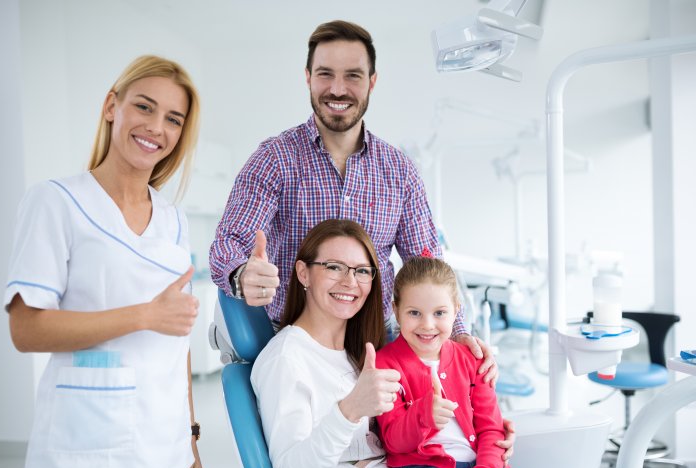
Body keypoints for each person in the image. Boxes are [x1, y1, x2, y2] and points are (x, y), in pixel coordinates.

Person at [252, 218, 696, 468]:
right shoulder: (286, 359)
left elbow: (445, 369)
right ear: (302, 273)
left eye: (361, 270)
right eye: (333, 266)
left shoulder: (357, 351)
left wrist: (484, 439)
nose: (348, 280)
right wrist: (352, 409)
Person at [209, 19, 498, 382]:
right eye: (326, 74)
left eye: (353, 76)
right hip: (295, 343)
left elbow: (427, 265)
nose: (338, 88)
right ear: (308, 77)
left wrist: (457, 331)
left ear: (372, 82)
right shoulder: (275, 158)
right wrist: (241, 274)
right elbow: (228, 244)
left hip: (374, 343)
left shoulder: (399, 171)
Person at [5, 55, 204, 468]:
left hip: (162, 448)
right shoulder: (56, 201)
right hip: (81, 453)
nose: (156, 127)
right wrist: (143, 315)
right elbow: (26, 329)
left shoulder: (174, 220)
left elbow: (178, 338)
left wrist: (189, 435)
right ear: (112, 106)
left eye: (173, 119)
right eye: (145, 107)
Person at [376, 256, 566, 468]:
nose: (427, 325)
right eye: (414, 313)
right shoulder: (386, 363)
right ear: (396, 309)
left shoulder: (472, 359)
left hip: (477, 461)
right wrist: (423, 414)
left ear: (456, 311)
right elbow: (393, 440)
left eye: (439, 313)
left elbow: (491, 428)